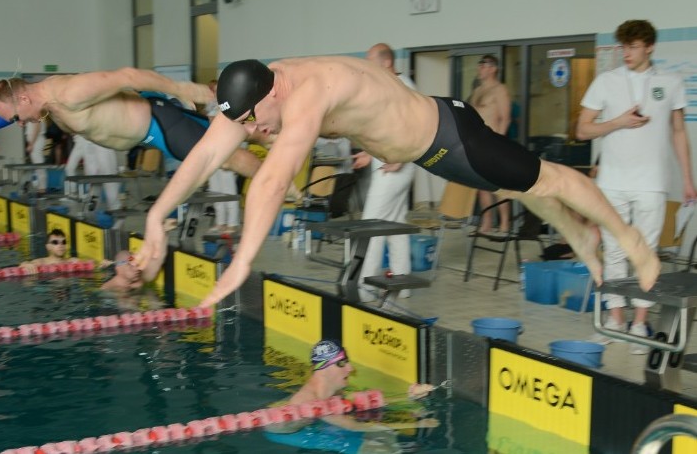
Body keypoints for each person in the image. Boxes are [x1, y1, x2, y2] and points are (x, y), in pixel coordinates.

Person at [135, 56, 662, 307]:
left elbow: (272, 181)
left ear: (277, 92)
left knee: (549, 181)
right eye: (244, 124)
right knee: (528, 189)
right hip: (422, 153)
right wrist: (158, 218)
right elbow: (203, 156)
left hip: (451, 137)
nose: (252, 132)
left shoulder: (310, 92)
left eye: (253, 120)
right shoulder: (257, 94)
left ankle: (627, 237)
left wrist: (242, 263)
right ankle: (580, 236)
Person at [577, 19, 697, 353]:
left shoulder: (671, 82)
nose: (625, 53)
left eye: (632, 47)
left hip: (653, 182)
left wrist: (688, 178)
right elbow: (583, 130)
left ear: (649, 47)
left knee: (646, 253)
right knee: (614, 249)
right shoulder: (606, 81)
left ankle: (641, 322)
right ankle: (615, 319)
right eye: (623, 47)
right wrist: (618, 122)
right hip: (613, 181)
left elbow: (677, 132)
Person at [0, 71, 261, 185]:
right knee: (228, 135)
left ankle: (284, 187)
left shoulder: (68, 92)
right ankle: (277, 139)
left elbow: (127, 75)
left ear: (23, 99)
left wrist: (181, 89)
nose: (21, 123)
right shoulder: (52, 106)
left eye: (16, 117)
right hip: (152, 128)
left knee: (227, 158)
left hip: (159, 125)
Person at [265, 339, 437, 454]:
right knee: (379, 448)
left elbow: (359, 402)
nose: (350, 369)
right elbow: (354, 426)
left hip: (315, 423)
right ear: (325, 369)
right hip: (288, 433)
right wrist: (417, 423)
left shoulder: (330, 390)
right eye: (342, 363)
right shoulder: (312, 401)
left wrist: (409, 396)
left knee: (386, 435)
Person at [353, 44, 417, 300]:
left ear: (386, 62)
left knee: (372, 225)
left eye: (371, 62)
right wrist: (368, 152)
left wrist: (400, 157)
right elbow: (385, 128)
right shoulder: (390, 86)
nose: (368, 68)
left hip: (395, 167)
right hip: (391, 163)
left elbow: (413, 124)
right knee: (395, 225)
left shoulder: (403, 87)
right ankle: (402, 283)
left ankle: (364, 288)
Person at [469, 55, 512, 235]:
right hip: (477, 144)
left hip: (493, 144)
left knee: (499, 187)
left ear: (493, 68)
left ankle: (504, 224)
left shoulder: (500, 90)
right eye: (479, 65)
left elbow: (505, 118)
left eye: (483, 65)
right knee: (481, 186)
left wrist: (498, 143)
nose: (480, 69)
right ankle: (486, 223)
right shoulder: (477, 91)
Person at [205, 79, 241, 234]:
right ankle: (220, 222)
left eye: (217, 89)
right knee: (215, 188)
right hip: (213, 149)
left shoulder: (233, 103)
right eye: (213, 90)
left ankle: (232, 223)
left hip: (228, 150)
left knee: (228, 188)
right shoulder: (211, 105)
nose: (215, 92)